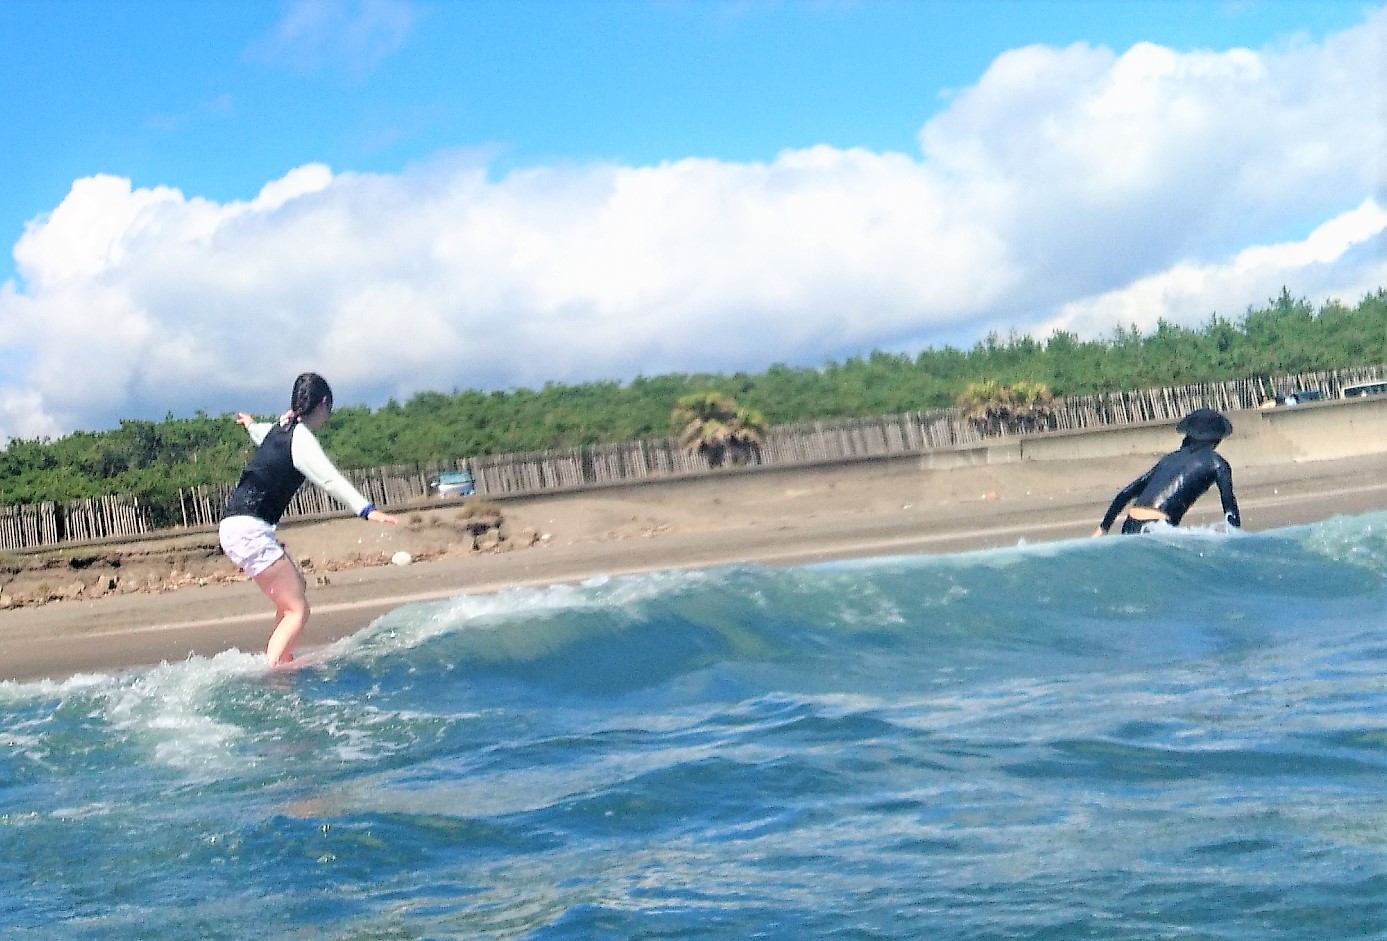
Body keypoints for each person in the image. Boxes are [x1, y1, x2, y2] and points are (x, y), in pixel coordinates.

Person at [219, 372, 398, 666]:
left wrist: (249, 423)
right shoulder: (300, 437)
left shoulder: (280, 428)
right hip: (250, 531)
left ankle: (281, 656)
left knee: (295, 590)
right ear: (323, 403)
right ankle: (273, 670)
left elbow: (261, 434)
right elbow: (329, 479)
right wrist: (367, 510)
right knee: (298, 610)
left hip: (234, 526)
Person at [1091, 407, 1241, 537]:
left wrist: (1103, 528)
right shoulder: (1218, 464)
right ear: (1217, 438)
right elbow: (1230, 508)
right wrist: (1235, 537)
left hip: (1131, 522)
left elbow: (1126, 493)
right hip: (1157, 527)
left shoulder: (1169, 459)